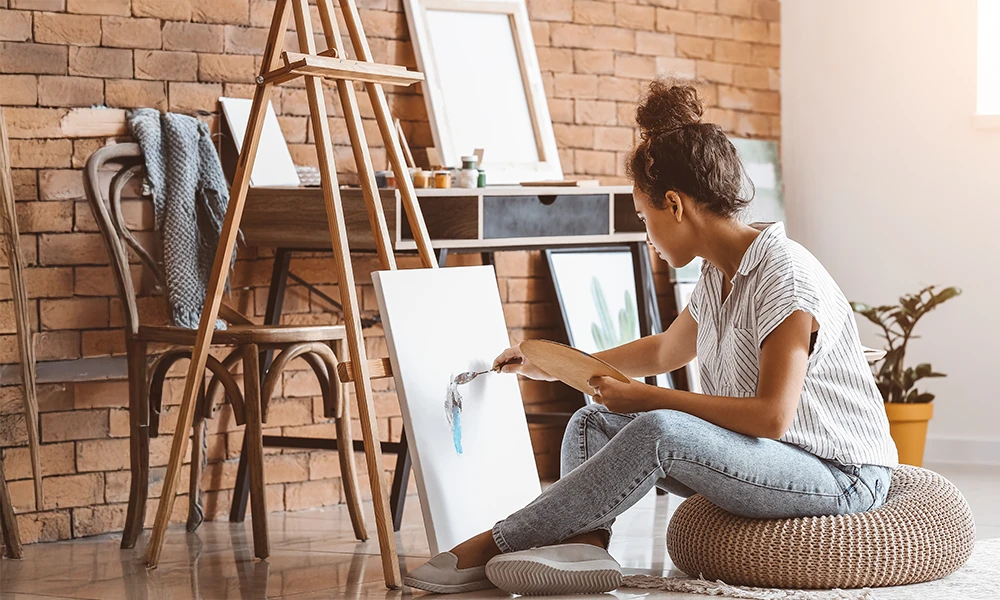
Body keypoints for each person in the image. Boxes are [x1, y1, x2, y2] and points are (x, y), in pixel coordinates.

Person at [403, 79, 898, 596]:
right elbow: (665, 349)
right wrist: (553, 365)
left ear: (675, 205)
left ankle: (491, 544)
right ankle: (586, 547)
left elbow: (771, 417)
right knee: (592, 422)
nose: (647, 234)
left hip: (839, 475)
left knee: (661, 427)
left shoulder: (784, 275)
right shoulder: (718, 272)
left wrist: (649, 398)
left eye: (644, 217)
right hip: (769, 456)